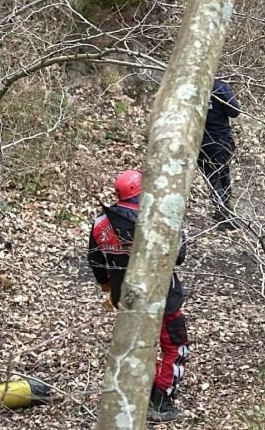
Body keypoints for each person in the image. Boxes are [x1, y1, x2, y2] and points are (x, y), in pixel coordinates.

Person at [87, 170, 189, 423]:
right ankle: (161, 401)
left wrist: (107, 288)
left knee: (138, 346)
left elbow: (96, 261)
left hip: (127, 298)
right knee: (175, 346)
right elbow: (179, 255)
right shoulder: (157, 219)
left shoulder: (101, 223)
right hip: (163, 297)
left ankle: (132, 395)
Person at [199, 77, 241, 231]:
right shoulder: (218, 86)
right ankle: (224, 214)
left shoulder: (190, 86)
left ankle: (223, 211)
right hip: (220, 139)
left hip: (200, 141)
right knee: (222, 175)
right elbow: (234, 111)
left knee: (213, 177)